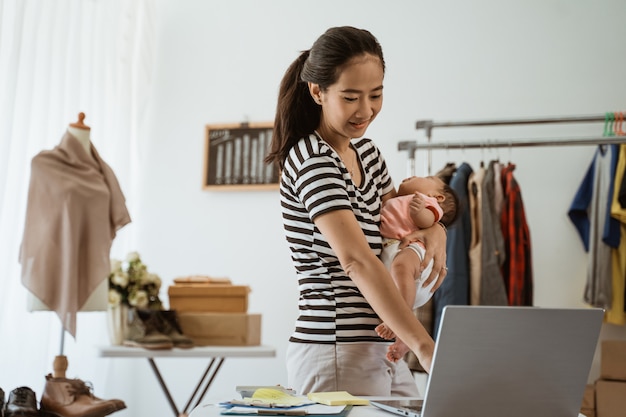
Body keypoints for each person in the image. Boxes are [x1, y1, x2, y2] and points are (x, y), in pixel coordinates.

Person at [265, 26, 448, 396]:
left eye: (375, 94)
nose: (365, 110)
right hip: (335, 348)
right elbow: (357, 261)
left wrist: (436, 231)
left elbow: (399, 228)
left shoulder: (368, 155)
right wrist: (424, 345)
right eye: (350, 97)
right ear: (317, 92)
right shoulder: (313, 160)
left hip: (382, 344)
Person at [376, 175, 459, 362]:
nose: (414, 176)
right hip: (397, 249)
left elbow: (428, 221)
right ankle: (403, 339)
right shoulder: (398, 199)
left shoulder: (427, 203)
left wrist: (419, 212)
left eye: (427, 177)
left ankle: (401, 325)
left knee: (401, 268)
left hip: (415, 249)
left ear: (438, 197)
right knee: (396, 273)